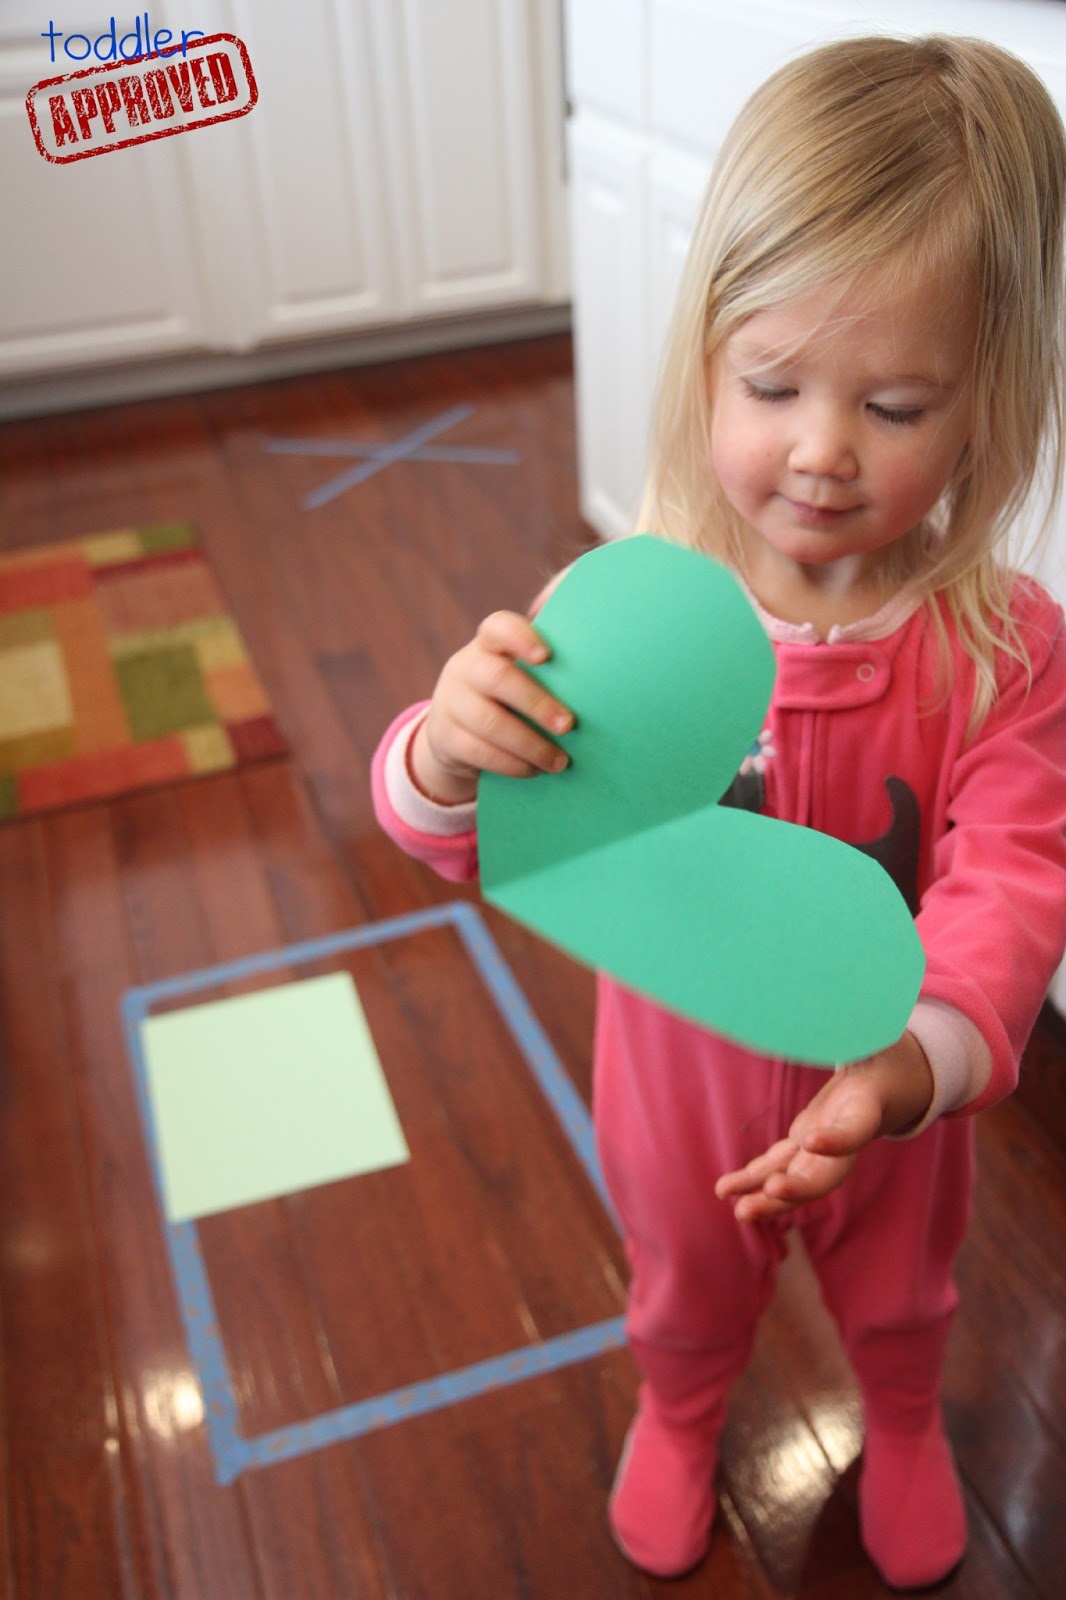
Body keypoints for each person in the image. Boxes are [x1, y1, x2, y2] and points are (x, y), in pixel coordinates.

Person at [371, 34, 1066, 1589]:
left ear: (984, 404)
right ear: (700, 359)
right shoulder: (622, 618)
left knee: (902, 1294)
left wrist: (905, 1068)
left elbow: (1013, 883)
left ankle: (897, 1422)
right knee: (682, 1284)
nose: (820, 449)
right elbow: (473, 837)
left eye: (892, 404)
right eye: (773, 384)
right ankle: (681, 1415)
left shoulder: (1002, 650)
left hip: (887, 1070)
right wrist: (443, 750)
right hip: (670, 1079)